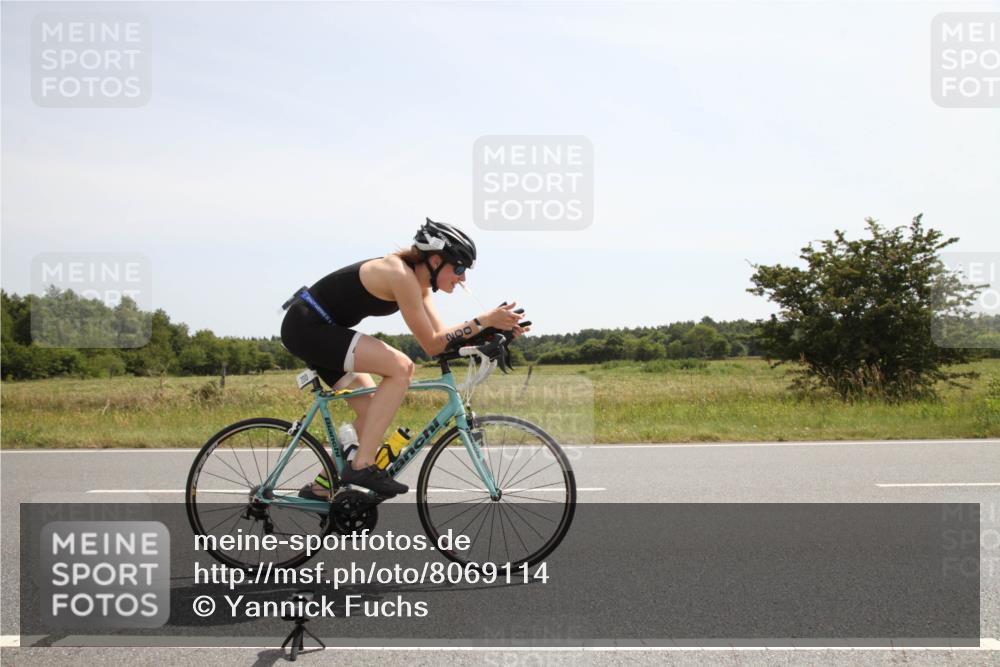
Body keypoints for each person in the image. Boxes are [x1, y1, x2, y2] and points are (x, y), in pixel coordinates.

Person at [280, 218, 527, 497]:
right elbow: (431, 344)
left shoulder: (420, 286)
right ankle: (361, 465)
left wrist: (490, 331)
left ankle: (321, 487)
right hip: (307, 327)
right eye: (459, 269)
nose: (462, 279)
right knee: (401, 367)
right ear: (435, 260)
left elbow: (443, 339)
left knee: (372, 413)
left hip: (323, 330)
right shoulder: (400, 276)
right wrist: (483, 321)